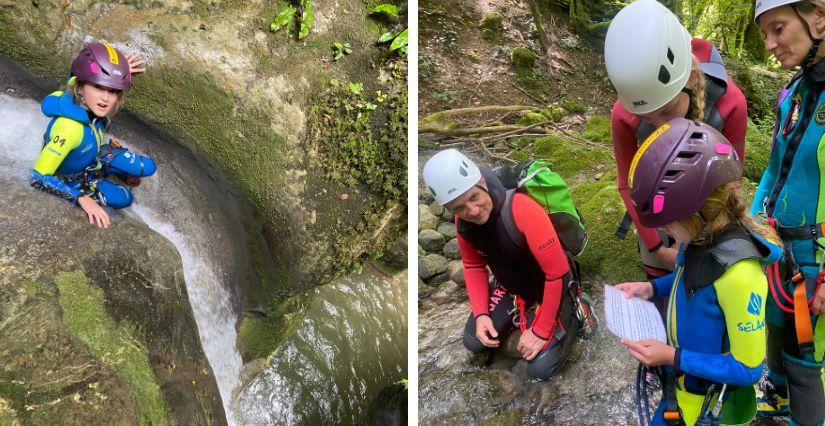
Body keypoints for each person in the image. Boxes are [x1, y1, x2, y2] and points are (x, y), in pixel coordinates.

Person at [616, 118, 781, 426]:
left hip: (707, 400)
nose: (665, 230)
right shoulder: (700, 238)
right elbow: (686, 281)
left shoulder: (741, 274)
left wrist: (671, 357)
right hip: (682, 382)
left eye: (669, 222)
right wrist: (651, 289)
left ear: (696, 212)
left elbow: (748, 368)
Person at [605, 0, 748, 279]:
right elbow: (626, 184)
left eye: (668, 111)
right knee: (659, 287)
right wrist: (657, 247)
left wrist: (701, 235)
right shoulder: (624, 114)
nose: (660, 127)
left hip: (708, 215)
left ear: (692, 79)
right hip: (655, 216)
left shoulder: (730, 103)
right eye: (646, 117)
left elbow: (733, 179)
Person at [422, 149, 585, 380]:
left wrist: (541, 330)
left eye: (473, 197)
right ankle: (522, 311)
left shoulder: (521, 208)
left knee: (540, 369)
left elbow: (556, 274)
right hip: (512, 286)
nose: (472, 211)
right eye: (459, 207)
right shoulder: (463, 224)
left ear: (482, 182)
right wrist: (481, 315)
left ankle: (578, 309)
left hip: (553, 283)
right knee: (474, 342)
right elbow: (473, 267)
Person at [751, 1, 825, 423]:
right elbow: (773, 168)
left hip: (817, 262)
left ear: (818, 17)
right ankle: (776, 394)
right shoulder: (794, 94)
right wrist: (752, 225)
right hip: (780, 247)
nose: (769, 44)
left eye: (778, 29)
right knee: (776, 329)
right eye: (765, 33)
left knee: (806, 358)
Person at [30, 43, 155, 229]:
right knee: (126, 198)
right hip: (75, 179)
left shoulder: (81, 95)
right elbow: (38, 177)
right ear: (80, 89)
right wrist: (80, 198)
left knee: (148, 167)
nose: (105, 98)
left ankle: (108, 166)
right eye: (98, 87)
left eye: (113, 90)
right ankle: (104, 176)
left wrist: (119, 73)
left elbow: (75, 75)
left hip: (93, 156)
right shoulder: (69, 129)